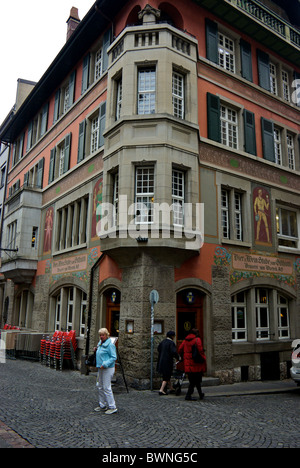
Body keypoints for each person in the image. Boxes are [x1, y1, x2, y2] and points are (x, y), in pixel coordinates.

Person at [94, 328, 118, 414]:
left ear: (106, 335)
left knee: (107, 387)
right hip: (100, 367)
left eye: (103, 335)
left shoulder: (110, 345)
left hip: (107, 368)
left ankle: (112, 406)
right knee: (100, 386)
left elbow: (113, 357)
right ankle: (102, 405)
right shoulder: (100, 343)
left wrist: (105, 364)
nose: (101, 337)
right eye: (100, 335)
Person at [178, 328, 206, 401]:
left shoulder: (185, 340)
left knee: (194, 381)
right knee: (195, 381)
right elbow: (200, 351)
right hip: (196, 364)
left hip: (188, 365)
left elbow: (180, 349)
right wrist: (203, 358)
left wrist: (184, 357)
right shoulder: (197, 340)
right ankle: (188, 395)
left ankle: (200, 394)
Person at [157, 330, 179, 395]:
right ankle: (161, 389)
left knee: (167, 375)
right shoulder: (171, 343)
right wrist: (178, 358)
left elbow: (158, 349)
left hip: (161, 361)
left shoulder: (163, 342)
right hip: (167, 361)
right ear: (172, 336)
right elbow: (174, 352)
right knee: (166, 376)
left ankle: (171, 388)